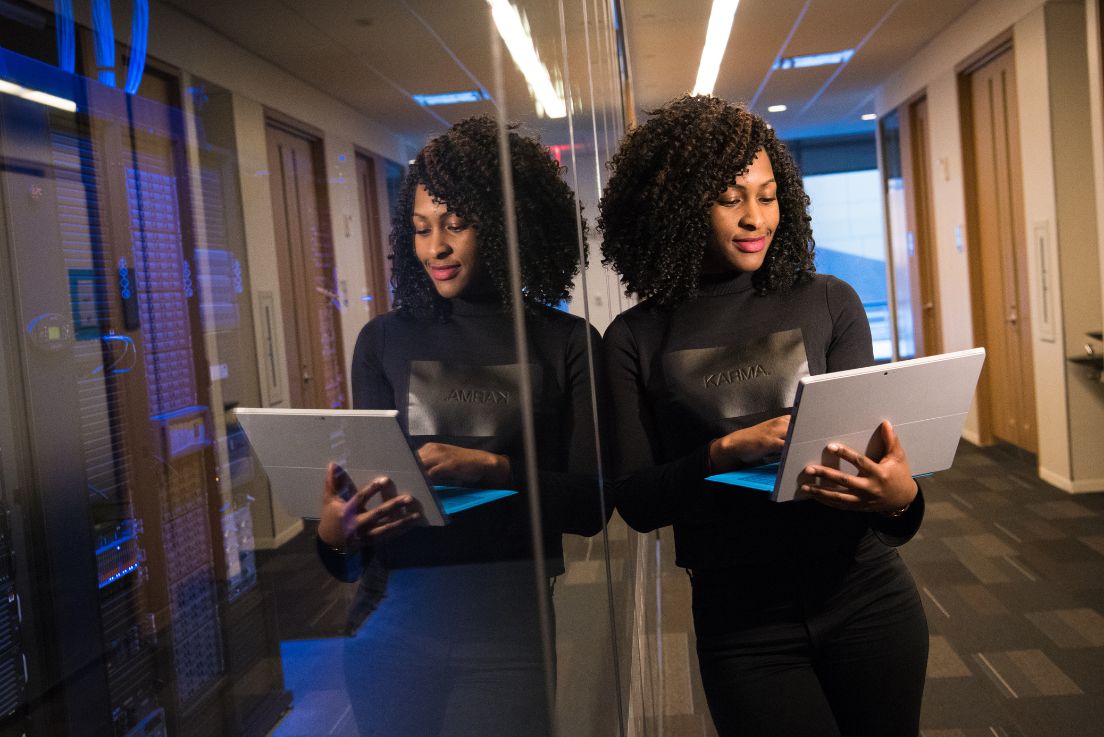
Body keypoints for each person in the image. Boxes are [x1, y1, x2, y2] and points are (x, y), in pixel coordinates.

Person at [598, 95, 928, 737]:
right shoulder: (636, 337)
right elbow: (636, 501)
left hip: (867, 597)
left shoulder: (830, 301)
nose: (757, 218)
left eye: (769, 195)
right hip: (742, 623)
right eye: (731, 198)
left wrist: (900, 497)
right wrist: (724, 453)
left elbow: (884, 478)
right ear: (678, 206)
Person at [315, 116, 605, 737]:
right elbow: (359, 526)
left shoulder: (566, 343)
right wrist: (334, 535)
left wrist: (495, 470)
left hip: (509, 627)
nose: (435, 248)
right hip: (389, 621)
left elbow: (592, 505)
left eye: (455, 224)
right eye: (421, 229)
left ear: (506, 227)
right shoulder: (382, 341)